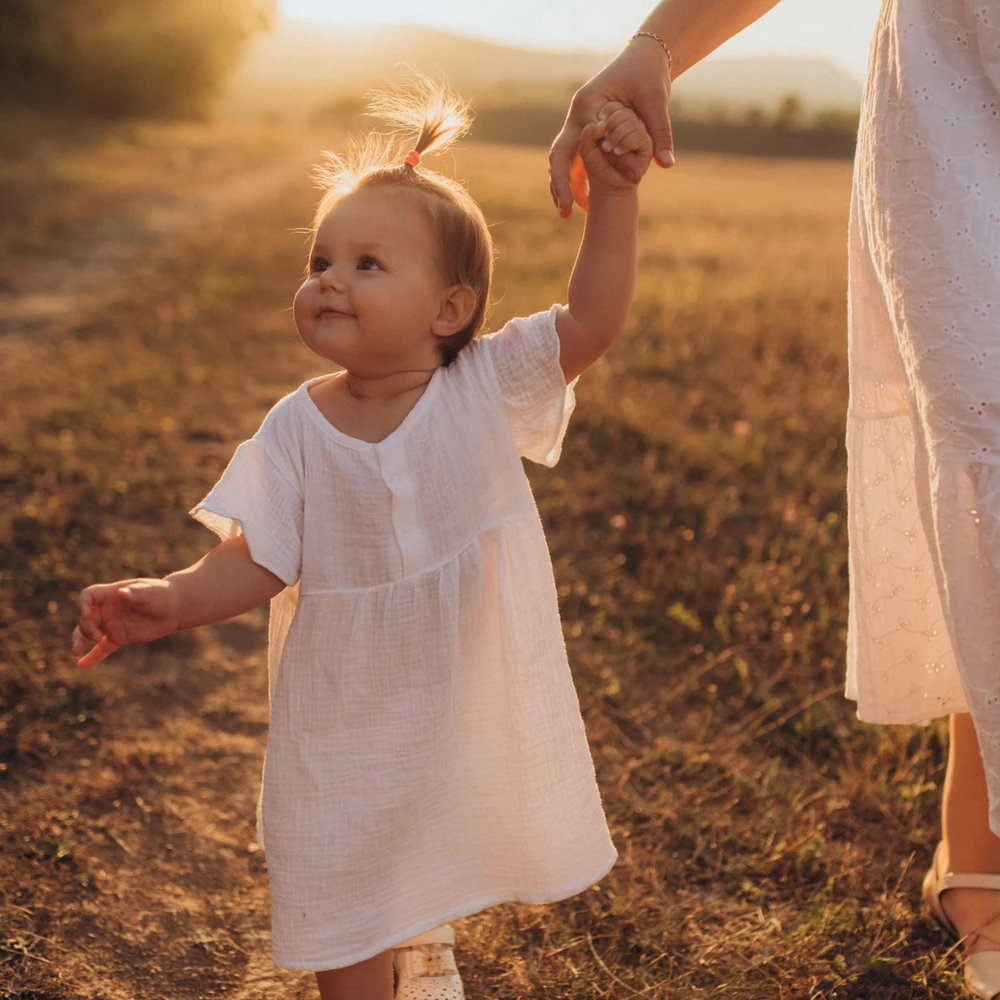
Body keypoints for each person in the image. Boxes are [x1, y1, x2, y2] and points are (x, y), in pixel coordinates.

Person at [70, 80, 653, 1000]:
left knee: (429, 838)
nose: (329, 279)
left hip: (457, 699)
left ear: (450, 310)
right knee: (345, 879)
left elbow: (593, 319)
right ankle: (382, 953)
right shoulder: (296, 430)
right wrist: (172, 600)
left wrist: (612, 199)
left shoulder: (483, 388)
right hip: (341, 719)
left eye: (368, 264)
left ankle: (417, 933)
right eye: (320, 260)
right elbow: (256, 555)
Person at [549, 2, 1000, 996]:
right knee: (989, 449)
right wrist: (657, 46)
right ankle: (982, 846)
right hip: (962, 85)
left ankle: (977, 833)